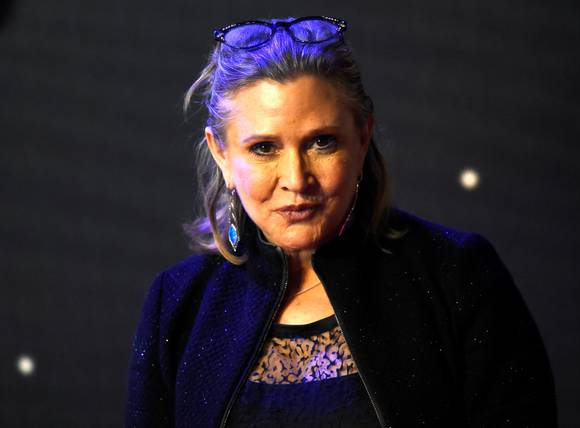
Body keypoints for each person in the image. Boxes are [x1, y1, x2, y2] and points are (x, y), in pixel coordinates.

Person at [124, 15, 557, 427]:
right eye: (263, 148)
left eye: (322, 142)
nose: (296, 179)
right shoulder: (178, 303)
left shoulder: (459, 275)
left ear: (362, 138)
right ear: (221, 153)